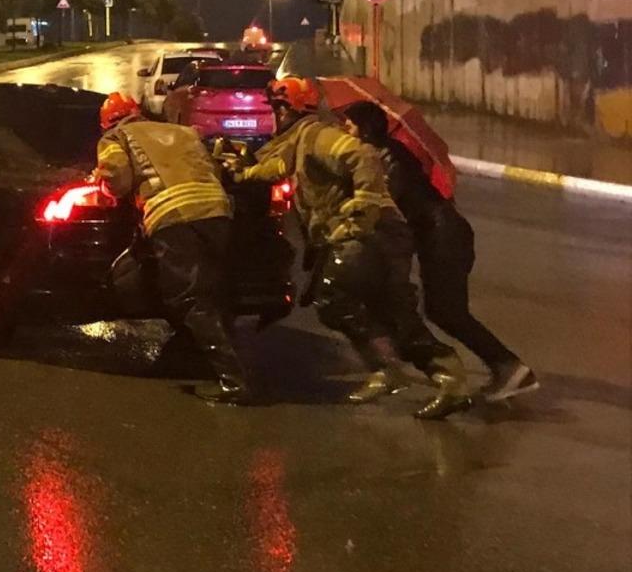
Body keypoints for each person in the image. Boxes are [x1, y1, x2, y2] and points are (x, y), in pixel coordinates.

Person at [226, 77, 471, 420]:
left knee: (337, 298)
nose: (275, 114)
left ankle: (397, 371)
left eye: (279, 107)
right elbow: (276, 167)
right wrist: (243, 172)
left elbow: (363, 157)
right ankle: (433, 376)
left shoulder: (317, 135)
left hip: (373, 234)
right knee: (387, 311)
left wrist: (360, 214)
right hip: (377, 235)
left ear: (292, 107)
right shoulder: (299, 139)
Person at [342, 101, 539, 402]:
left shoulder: (391, 159)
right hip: (439, 236)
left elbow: (387, 204)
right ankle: (507, 368)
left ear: (365, 128)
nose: (345, 128)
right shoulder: (381, 155)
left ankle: (511, 369)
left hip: (444, 237)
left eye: (350, 123)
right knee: (443, 311)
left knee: (448, 311)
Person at [93, 92, 253, 405]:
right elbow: (211, 167)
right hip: (217, 211)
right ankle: (203, 360)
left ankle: (233, 381)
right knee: (213, 291)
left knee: (189, 297)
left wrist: (102, 185)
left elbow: (118, 179)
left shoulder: (115, 137)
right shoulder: (183, 131)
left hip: (174, 216)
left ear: (107, 122)